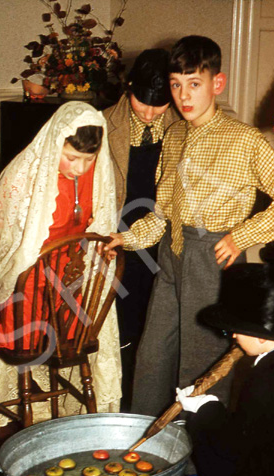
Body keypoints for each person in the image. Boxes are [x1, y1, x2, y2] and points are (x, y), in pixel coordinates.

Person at [106, 35, 274, 417]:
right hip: (173, 253)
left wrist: (242, 235)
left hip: (213, 257)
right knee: (153, 354)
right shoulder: (173, 136)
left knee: (201, 362)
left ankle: (198, 460)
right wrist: (125, 238)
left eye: (194, 84)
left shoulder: (245, 141)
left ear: (217, 83)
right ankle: (150, 446)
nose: (184, 96)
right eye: (176, 85)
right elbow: (161, 212)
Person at [0, 101, 121, 438]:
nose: (80, 168)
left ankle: (68, 415)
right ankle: (28, 411)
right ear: (55, 145)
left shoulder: (99, 176)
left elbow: (103, 225)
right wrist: (20, 255)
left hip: (74, 289)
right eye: (71, 157)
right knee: (6, 318)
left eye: (88, 160)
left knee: (76, 329)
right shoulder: (27, 174)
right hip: (31, 285)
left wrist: (102, 250)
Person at [176, 263, 274, 476]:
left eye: (238, 329)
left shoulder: (267, 379)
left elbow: (237, 446)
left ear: (263, 336)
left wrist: (203, 410)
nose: (233, 336)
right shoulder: (270, 362)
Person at [103, 48, 179, 410]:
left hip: (160, 232)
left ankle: (148, 401)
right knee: (120, 321)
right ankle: (115, 398)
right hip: (116, 233)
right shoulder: (104, 123)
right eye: (141, 102)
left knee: (157, 324)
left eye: (159, 105)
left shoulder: (180, 128)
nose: (149, 113)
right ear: (128, 86)